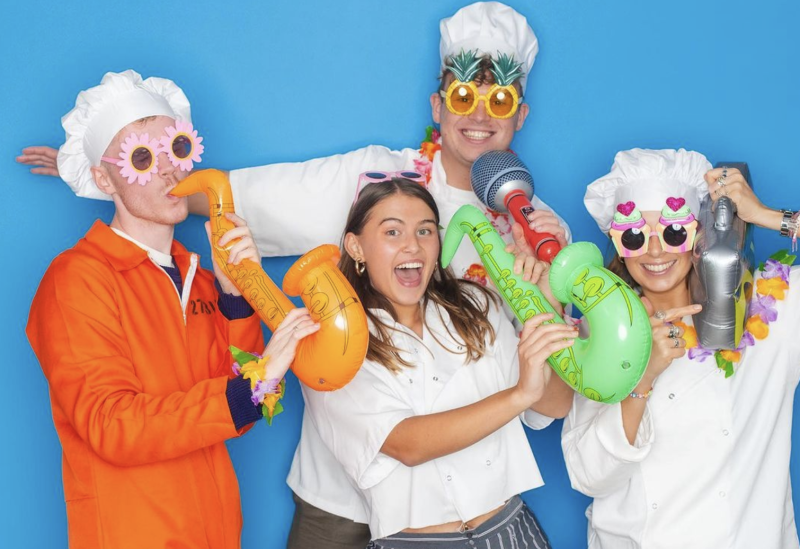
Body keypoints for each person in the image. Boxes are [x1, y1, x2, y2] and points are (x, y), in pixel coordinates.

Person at [18, 5, 574, 546]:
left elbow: (551, 387)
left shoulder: (538, 231)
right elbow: (251, 198)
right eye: (463, 96)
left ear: (520, 114)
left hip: (467, 498)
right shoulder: (372, 176)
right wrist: (124, 176)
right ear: (439, 104)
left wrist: (547, 286)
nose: (480, 117)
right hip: (341, 492)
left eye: (500, 100)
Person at [26, 70, 318, 549]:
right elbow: (112, 424)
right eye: (142, 157)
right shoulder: (76, 278)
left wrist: (235, 296)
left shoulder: (200, 278)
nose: (168, 170)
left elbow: (245, 410)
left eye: (177, 148)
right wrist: (254, 384)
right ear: (103, 178)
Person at [304, 176, 574, 546]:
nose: (412, 245)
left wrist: (547, 301)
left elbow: (554, 404)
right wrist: (520, 394)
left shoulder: (478, 305)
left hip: (510, 530)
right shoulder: (331, 342)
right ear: (356, 246)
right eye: (392, 232)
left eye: (425, 231)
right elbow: (408, 444)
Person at [561, 148, 800, 548]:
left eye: (674, 231)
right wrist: (643, 380)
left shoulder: (769, 308)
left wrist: (768, 216)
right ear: (618, 244)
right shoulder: (600, 331)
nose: (655, 251)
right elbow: (588, 476)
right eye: (635, 236)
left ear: (701, 232)